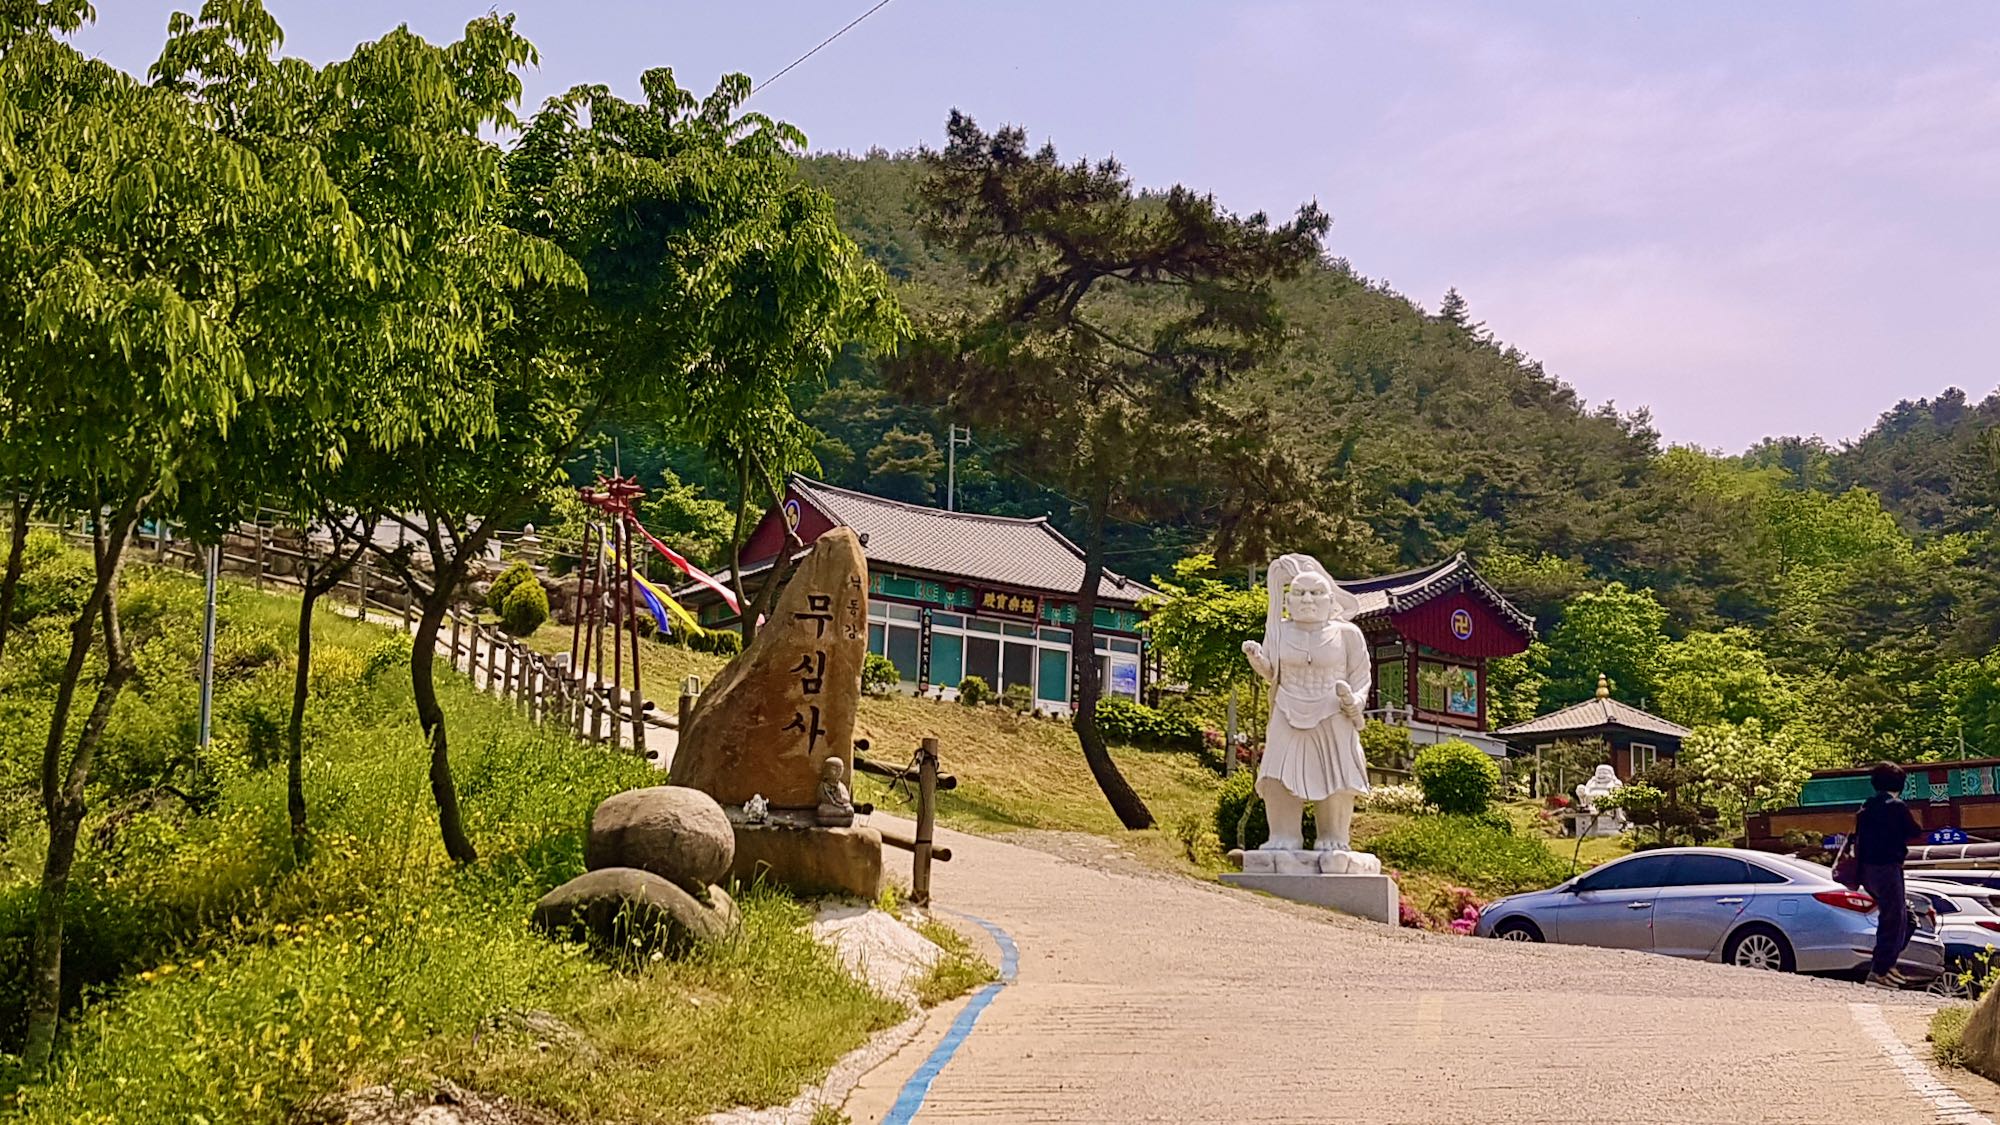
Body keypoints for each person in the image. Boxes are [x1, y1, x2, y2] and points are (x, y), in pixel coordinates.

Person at [1853, 761, 1925, 989]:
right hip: (1887, 868)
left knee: (1904, 917)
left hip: (1866, 870)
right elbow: (1915, 831)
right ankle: (1881, 970)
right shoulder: (1896, 806)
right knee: (1894, 919)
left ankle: (1886, 965)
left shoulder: (1866, 806)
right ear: (1900, 783)